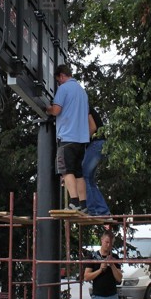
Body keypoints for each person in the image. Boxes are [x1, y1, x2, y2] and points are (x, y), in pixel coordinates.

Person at [46, 64, 89, 212]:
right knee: (78, 173)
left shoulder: (64, 89)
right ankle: (83, 205)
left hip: (67, 137)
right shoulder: (82, 92)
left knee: (66, 171)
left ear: (62, 76)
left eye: (58, 80)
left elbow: (56, 110)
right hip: (81, 139)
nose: (59, 83)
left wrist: (48, 108)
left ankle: (74, 203)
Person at [82, 104, 110, 217]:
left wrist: (82, 141)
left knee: (83, 176)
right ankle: (103, 210)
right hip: (100, 145)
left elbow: (93, 128)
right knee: (90, 180)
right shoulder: (86, 107)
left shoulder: (84, 107)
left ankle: (91, 209)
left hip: (96, 143)